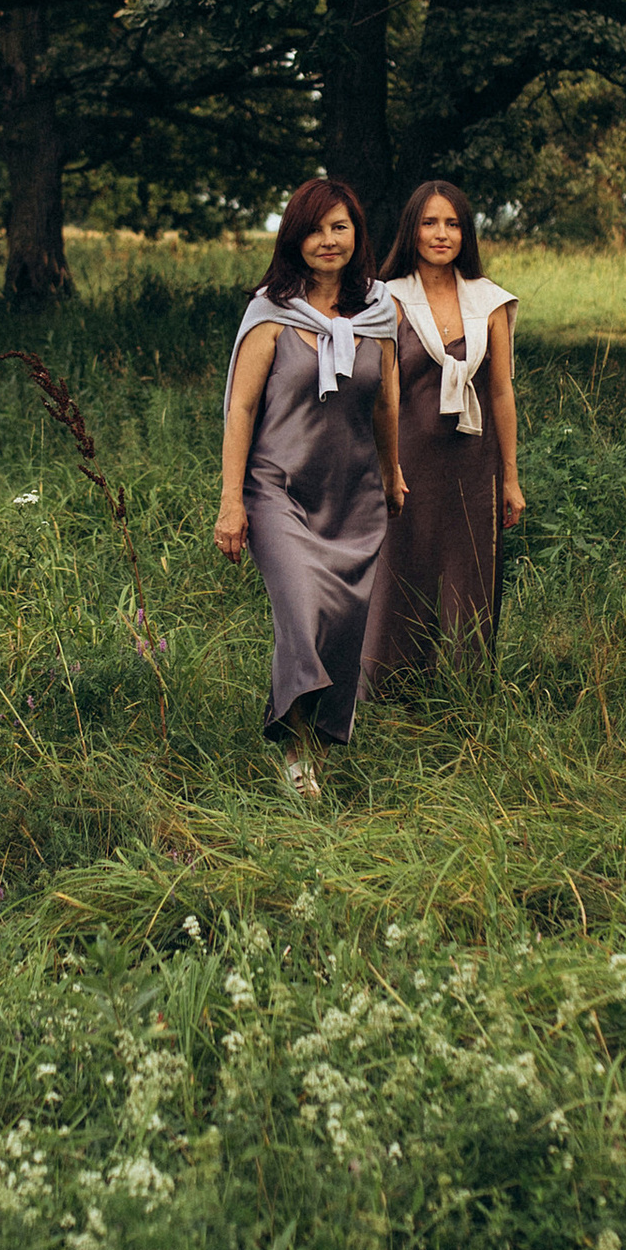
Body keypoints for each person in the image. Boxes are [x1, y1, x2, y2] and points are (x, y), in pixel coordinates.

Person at [213, 175, 405, 799]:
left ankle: (313, 747)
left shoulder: (381, 312)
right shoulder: (269, 313)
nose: (328, 240)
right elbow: (241, 410)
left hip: (353, 495)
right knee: (302, 611)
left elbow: (387, 403)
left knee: (342, 625)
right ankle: (295, 750)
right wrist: (231, 501)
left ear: (357, 234)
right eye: (315, 229)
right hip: (278, 490)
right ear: (294, 238)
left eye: (339, 227)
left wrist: (392, 471)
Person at [361, 177, 522, 692]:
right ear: (412, 229)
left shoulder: (489, 301)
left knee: (467, 573)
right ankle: (390, 691)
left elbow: (501, 392)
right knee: (401, 569)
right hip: (407, 461)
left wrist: (510, 477)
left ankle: (462, 691)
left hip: (474, 465)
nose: (441, 234)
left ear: (465, 233)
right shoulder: (388, 299)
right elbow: (383, 393)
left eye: (452, 224)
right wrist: (386, 468)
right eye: (430, 222)